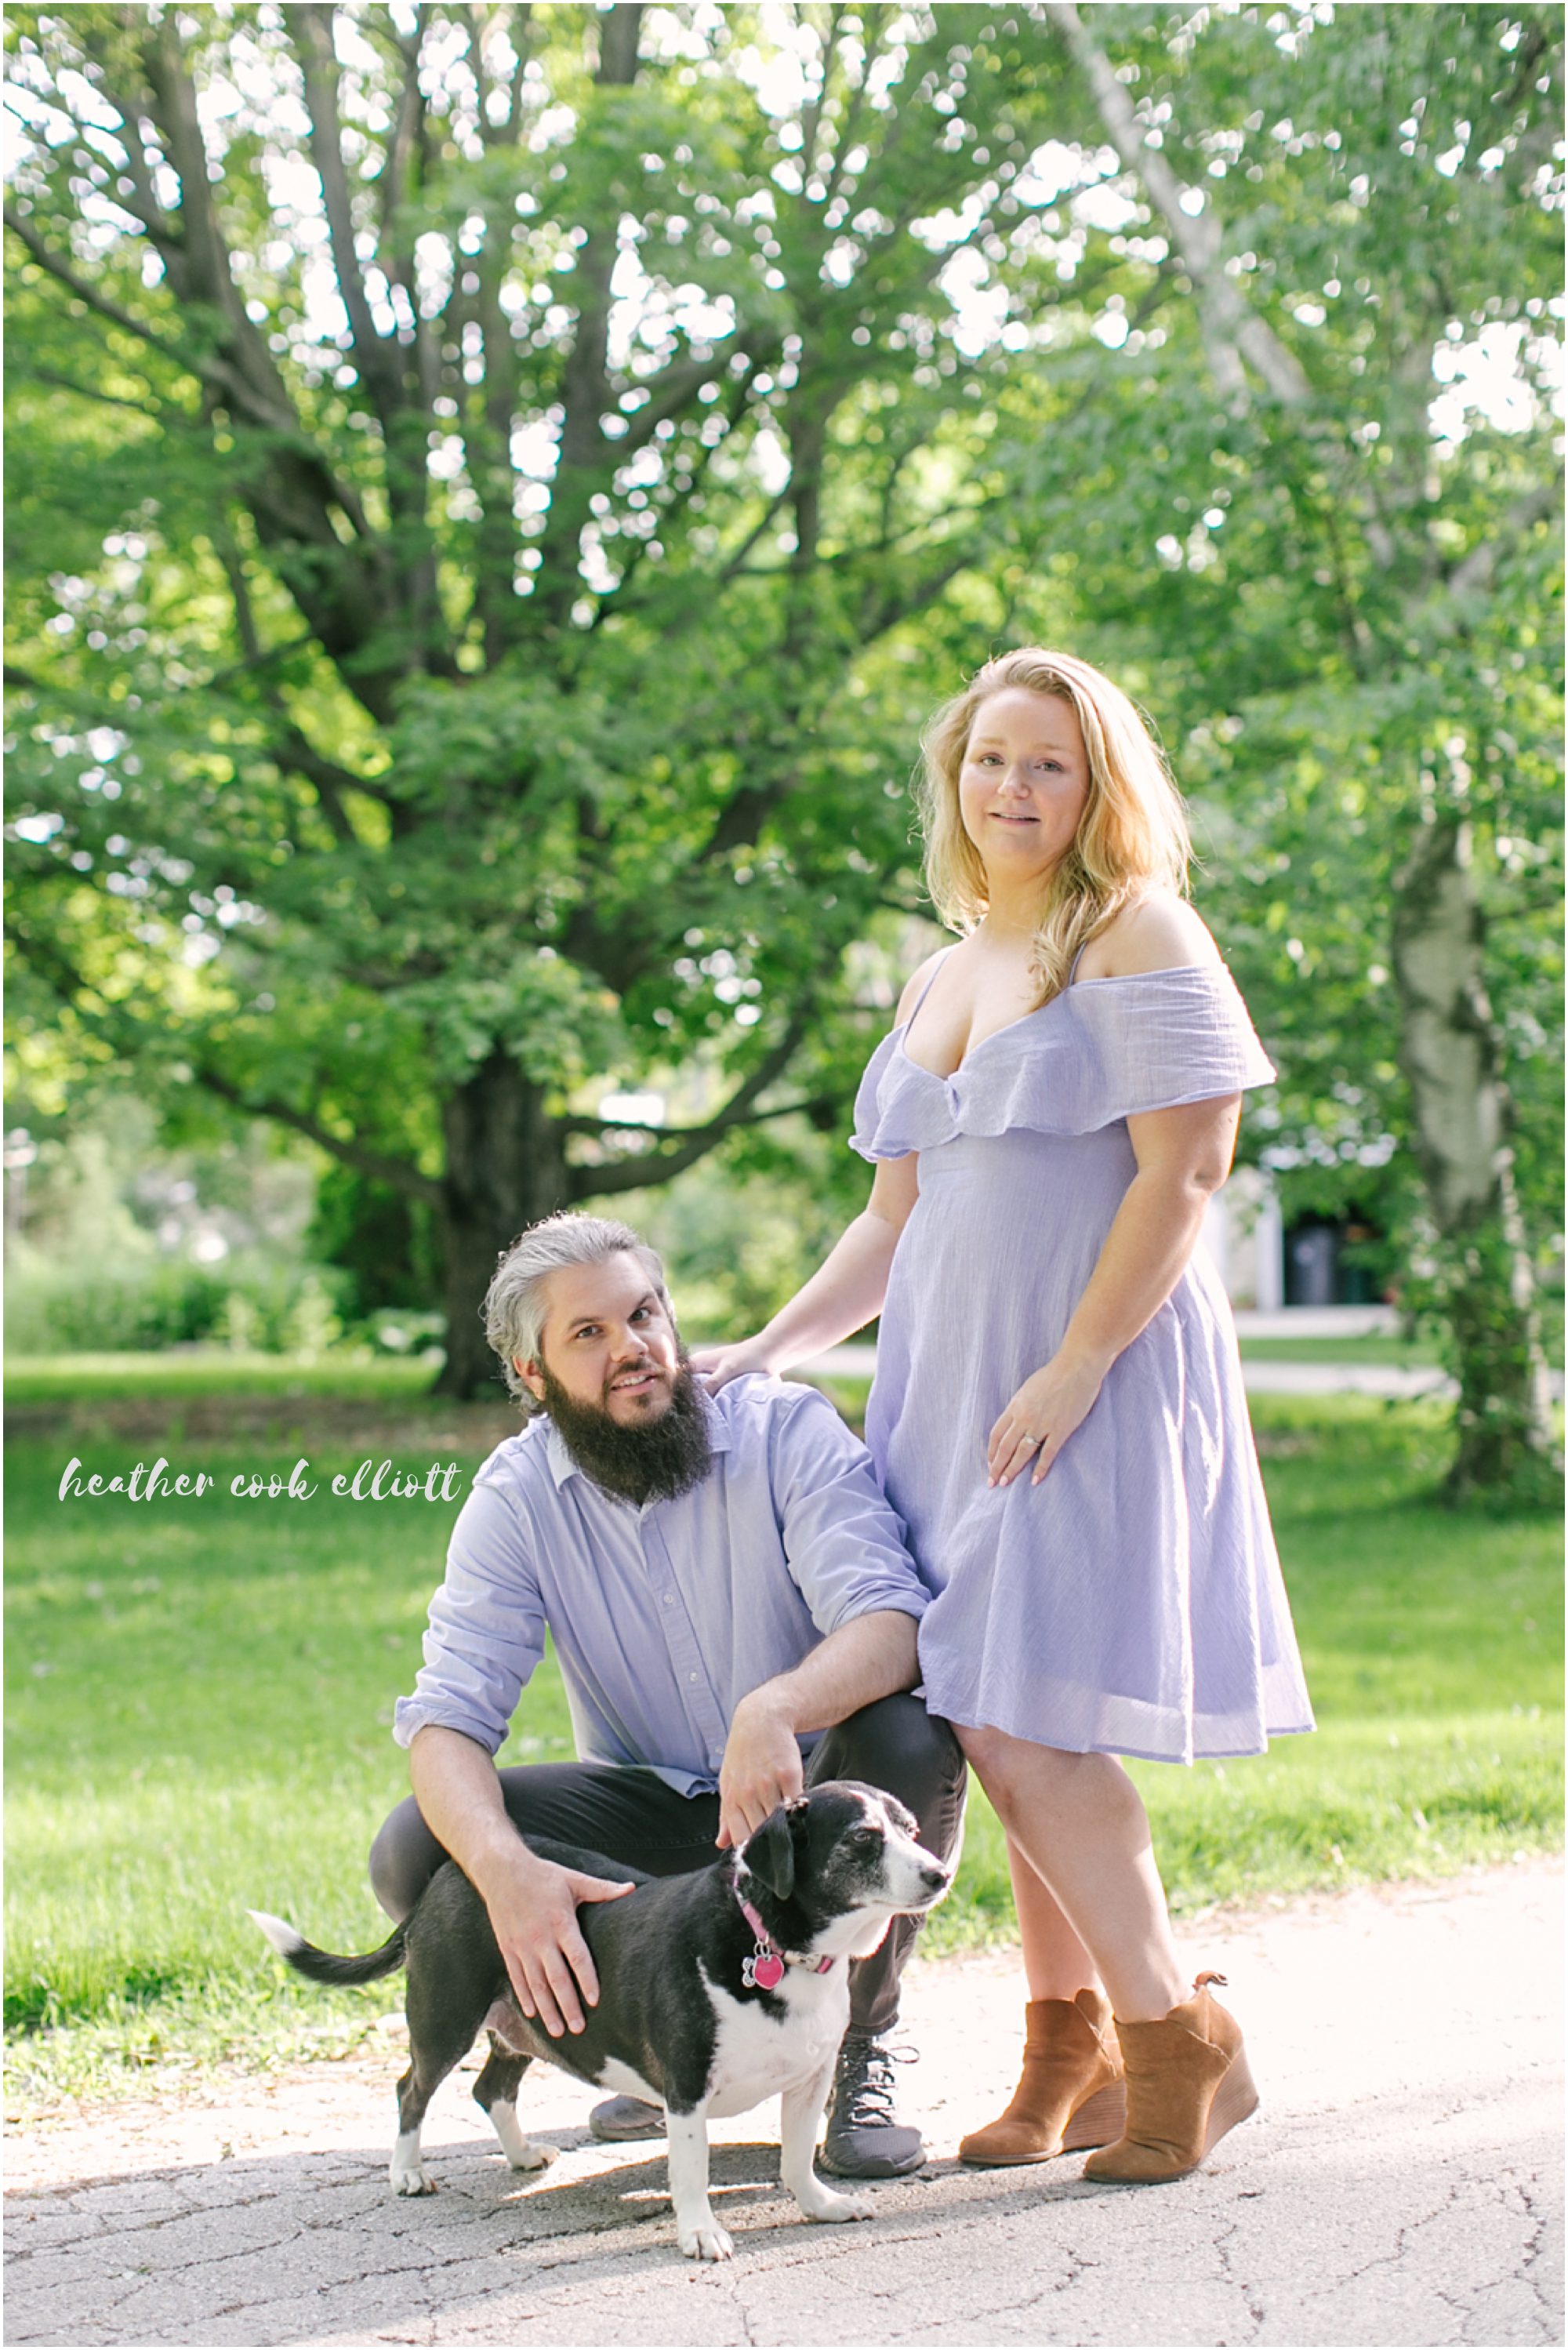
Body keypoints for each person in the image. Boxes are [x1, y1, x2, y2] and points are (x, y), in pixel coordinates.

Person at [695, 648, 1315, 2185]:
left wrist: (1075, 1364)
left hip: (1079, 1378)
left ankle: (1178, 2034)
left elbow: (1185, 1175)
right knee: (995, 1702)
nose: (1014, 788)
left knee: (1027, 1716)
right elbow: (890, 1220)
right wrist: (770, 1341)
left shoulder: (1138, 932)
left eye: (1047, 762)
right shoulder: (947, 964)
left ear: (1096, 783)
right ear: (954, 778)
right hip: (944, 1387)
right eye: (990, 760)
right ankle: (1068, 2044)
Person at [372, 1211, 966, 2180]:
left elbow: (891, 1623)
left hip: (801, 1803)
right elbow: (445, 1720)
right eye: (588, 1335)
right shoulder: (516, 1498)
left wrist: (771, 1708)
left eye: (642, 1315)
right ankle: (648, 2043)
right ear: (532, 1376)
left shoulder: (782, 1430)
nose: (633, 1350)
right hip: (651, 1829)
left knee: (908, 1738)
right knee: (425, 1843)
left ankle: (860, 2041)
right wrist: (503, 1871)